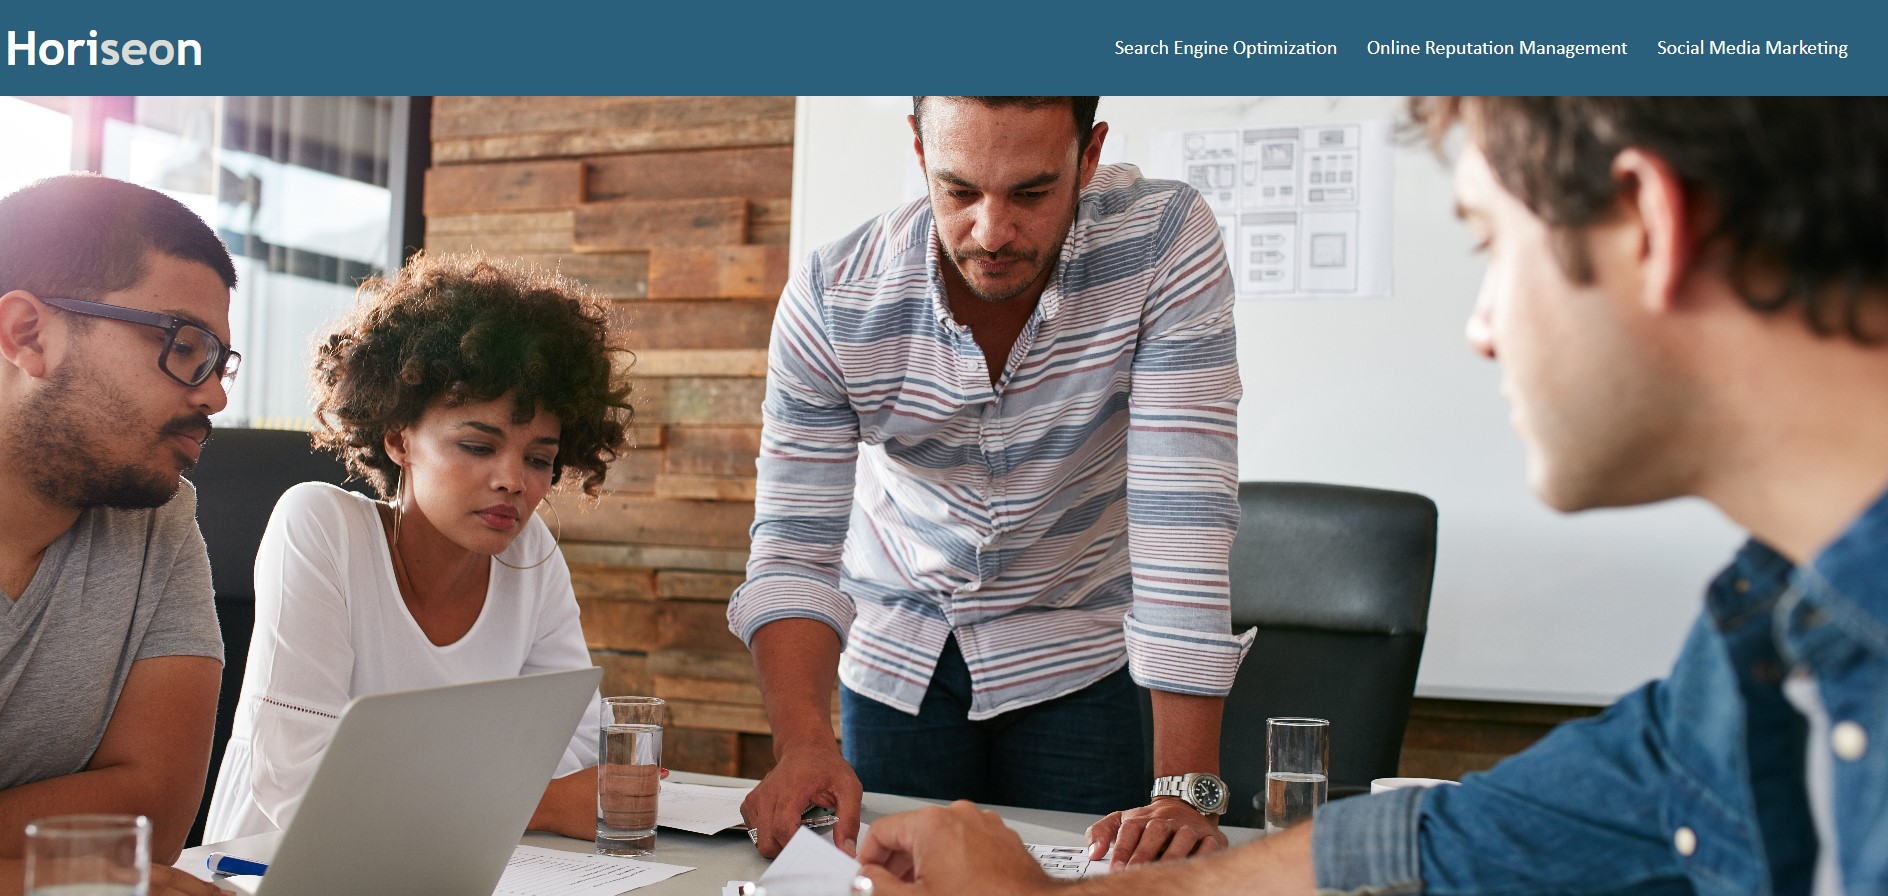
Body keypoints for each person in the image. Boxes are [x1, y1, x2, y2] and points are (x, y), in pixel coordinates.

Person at [852, 96, 1888, 895]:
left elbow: (1177, 514)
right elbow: (1430, 843)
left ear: (1649, 223)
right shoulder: (1749, 666)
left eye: (1490, 243)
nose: (1480, 325)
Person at [729, 96, 1251, 861]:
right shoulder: (834, 298)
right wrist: (801, 745)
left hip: (1073, 644)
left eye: (1032, 194)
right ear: (919, 148)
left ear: (1090, 153)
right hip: (898, 647)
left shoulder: (1163, 242)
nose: (992, 232)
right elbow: (793, 550)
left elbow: (1184, 517)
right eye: (961, 191)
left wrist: (1186, 791)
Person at [203, 252, 635, 843]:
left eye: (539, 458)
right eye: (479, 447)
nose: (514, 479)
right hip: (275, 872)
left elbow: (581, 750)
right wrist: (539, 803)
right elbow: (304, 787)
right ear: (398, 438)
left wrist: (439, 789)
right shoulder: (320, 525)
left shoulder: (529, 554)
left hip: (460, 864)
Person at [0, 174, 238, 896]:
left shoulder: (159, 522)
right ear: (27, 335)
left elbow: (150, 823)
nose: (215, 396)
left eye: (218, 361)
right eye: (184, 345)